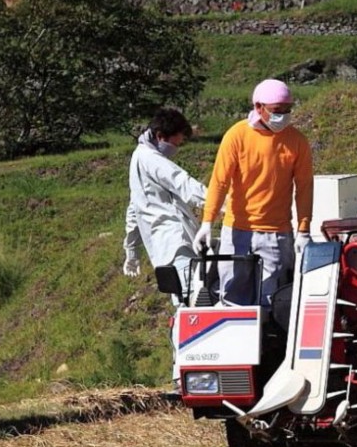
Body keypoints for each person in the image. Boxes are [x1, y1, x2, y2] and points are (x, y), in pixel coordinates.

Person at [193, 78, 313, 308]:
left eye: (288, 110)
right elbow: (220, 181)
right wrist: (207, 222)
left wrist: (304, 229)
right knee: (231, 297)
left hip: (277, 233)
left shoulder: (296, 141)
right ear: (259, 108)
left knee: (272, 300)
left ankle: (271, 343)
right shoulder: (237, 136)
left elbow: (305, 186)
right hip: (237, 231)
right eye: (277, 111)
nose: (284, 116)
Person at [123, 107, 207, 300]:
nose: (176, 149)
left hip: (166, 246)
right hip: (175, 240)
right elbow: (182, 182)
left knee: (184, 299)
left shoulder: (139, 159)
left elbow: (134, 209)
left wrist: (132, 250)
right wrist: (222, 202)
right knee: (193, 298)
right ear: (160, 136)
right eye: (175, 143)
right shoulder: (150, 158)